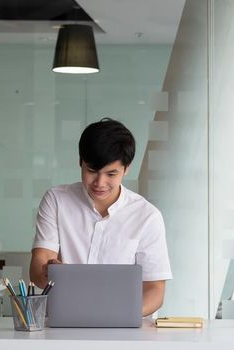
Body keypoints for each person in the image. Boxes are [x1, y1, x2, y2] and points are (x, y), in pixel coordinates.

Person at [30, 118, 172, 317]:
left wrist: (120, 314)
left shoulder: (147, 216)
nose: (100, 183)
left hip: (125, 331)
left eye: (111, 174)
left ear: (126, 168)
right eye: (92, 171)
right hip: (66, 320)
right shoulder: (56, 200)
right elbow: (38, 266)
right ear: (80, 161)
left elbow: (155, 289)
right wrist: (49, 273)